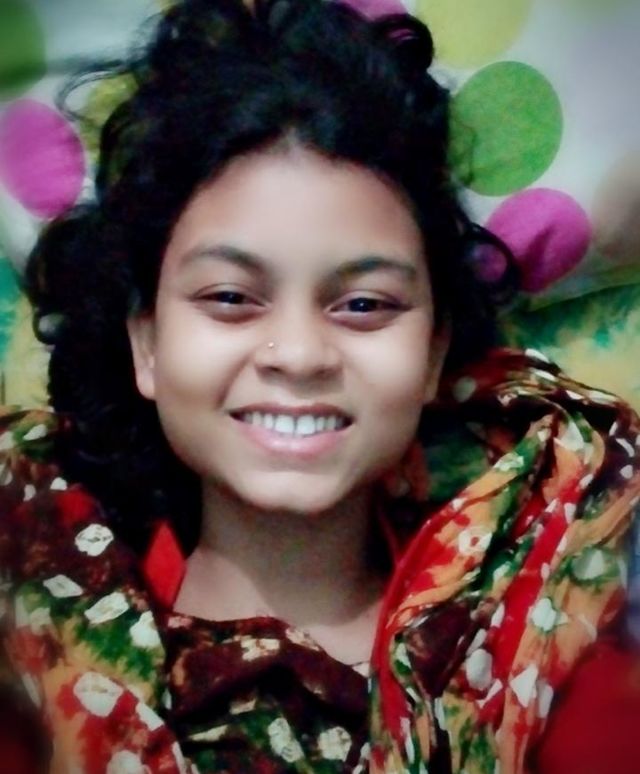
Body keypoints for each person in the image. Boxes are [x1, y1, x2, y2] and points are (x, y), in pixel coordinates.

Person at [0, 0, 639, 772]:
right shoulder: (27, 595)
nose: (300, 355)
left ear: (433, 353)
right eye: (230, 297)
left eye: (363, 305)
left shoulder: (571, 587)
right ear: (147, 344)